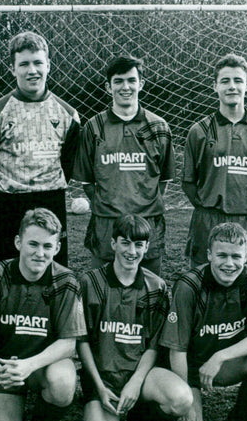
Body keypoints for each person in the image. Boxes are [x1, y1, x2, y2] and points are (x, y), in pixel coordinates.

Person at [0, 208, 86, 421]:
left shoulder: (66, 281)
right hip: (4, 370)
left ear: (57, 247)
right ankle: (7, 414)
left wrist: (29, 365)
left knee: (64, 382)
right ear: (18, 242)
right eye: (33, 244)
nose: (39, 253)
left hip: (40, 368)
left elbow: (69, 343)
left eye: (47, 246)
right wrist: (0, 371)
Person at [77, 214, 192, 421]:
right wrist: (98, 386)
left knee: (182, 399)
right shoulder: (90, 283)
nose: (132, 251)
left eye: (139, 245)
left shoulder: (158, 287)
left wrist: (135, 384)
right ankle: (95, 418)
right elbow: (81, 341)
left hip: (141, 378)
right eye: (126, 243)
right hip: (103, 379)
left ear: (147, 247)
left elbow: (153, 345)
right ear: (113, 244)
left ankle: (142, 415)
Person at [159, 222, 247, 421]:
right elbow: (177, 351)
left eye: (236, 256)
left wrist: (220, 356)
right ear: (208, 255)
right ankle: (158, 416)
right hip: (190, 369)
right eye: (222, 255)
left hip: (221, 365)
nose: (229, 263)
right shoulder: (189, 286)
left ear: (246, 256)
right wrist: (187, 404)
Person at [0, 31, 80, 266]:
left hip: (50, 199)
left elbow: (67, 165)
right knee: (3, 272)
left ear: (48, 65)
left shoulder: (69, 116)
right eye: (24, 64)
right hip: (6, 203)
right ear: (13, 69)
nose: (32, 70)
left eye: (38, 63)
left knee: (51, 270)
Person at [73, 56, 175, 277]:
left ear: (141, 83)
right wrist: (110, 205)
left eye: (131, 80)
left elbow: (164, 180)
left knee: (149, 291)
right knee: (100, 289)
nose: (125, 87)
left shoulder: (158, 126)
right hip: (106, 225)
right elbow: (88, 182)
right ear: (108, 87)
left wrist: (142, 205)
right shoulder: (93, 127)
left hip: (147, 224)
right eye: (118, 81)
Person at [182, 53, 247, 267]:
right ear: (215, 86)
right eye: (225, 81)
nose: (232, 87)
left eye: (238, 80)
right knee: (203, 281)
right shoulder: (199, 131)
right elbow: (189, 182)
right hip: (209, 218)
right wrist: (208, 206)